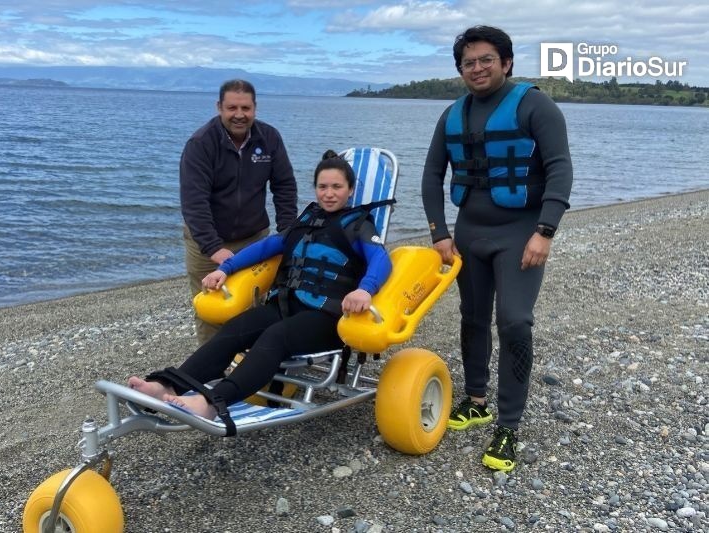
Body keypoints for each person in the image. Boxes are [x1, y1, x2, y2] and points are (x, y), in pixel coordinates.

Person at [130, 150, 391, 433]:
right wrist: (225, 269)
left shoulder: (360, 225)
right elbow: (267, 246)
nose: (329, 194)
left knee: (275, 337)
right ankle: (166, 385)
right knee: (235, 329)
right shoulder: (307, 219)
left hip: (328, 318)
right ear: (315, 188)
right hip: (285, 306)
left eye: (337, 187)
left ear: (350, 190)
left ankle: (211, 403)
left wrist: (365, 290)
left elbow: (381, 259)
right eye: (322, 186)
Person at [420, 26, 573, 472]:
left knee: (514, 321)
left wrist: (545, 230)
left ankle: (508, 425)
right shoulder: (451, 114)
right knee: (472, 317)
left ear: (506, 62)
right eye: (469, 62)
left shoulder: (535, 105)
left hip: (520, 231)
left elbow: (561, 169)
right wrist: (439, 233)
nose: (478, 68)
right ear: (460, 70)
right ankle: (476, 400)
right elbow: (431, 176)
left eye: (486, 59)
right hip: (470, 232)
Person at [180, 79, 298, 346]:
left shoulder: (269, 138)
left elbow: (285, 186)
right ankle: (210, 374)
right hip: (206, 242)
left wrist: (288, 233)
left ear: (255, 108)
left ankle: (249, 365)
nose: (239, 115)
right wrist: (213, 248)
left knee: (255, 304)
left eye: (246, 108)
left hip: (254, 237)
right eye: (232, 107)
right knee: (211, 307)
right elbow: (193, 202)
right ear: (219, 107)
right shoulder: (200, 143)